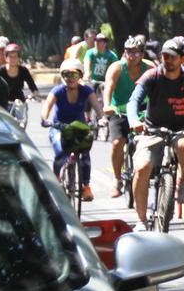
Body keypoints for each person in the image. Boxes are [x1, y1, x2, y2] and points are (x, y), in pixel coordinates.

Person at [127, 37, 184, 231]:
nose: (167, 60)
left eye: (172, 57)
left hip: (182, 131)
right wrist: (134, 121)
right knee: (142, 166)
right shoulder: (152, 76)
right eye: (164, 56)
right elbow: (133, 101)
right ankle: (141, 219)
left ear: (183, 59)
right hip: (153, 131)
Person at [42, 59, 102, 200]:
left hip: (79, 129)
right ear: (62, 76)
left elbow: (97, 106)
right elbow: (47, 106)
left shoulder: (86, 90)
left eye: (74, 75)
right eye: (66, 75)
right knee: (61, 152)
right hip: (59, 128)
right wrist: (44, 119)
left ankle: (86, 187)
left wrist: (102, 118)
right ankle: (56, 181)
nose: (70, 79)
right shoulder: (58, 90)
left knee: (85, 155)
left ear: (80, 76)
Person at [104, 34, 153, 197]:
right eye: (128, 52)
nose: (131, 56)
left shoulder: (150, 68)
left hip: (142, 111)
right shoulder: (117, 67)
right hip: (119, 110)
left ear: (142, 54)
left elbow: (159, 87)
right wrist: (107, 105)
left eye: (136, 52)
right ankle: (117, 179)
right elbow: (108, 87)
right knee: (118, 142)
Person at [0, 43, 41, 113]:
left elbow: (31, 84)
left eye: (15, 56)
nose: (13, 59)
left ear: (18, 58)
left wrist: (36, 95)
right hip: (4, 102)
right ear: (6, 58)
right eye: (10, 57)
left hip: (19, 102)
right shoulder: (1, 71)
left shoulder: (23, 70)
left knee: (21, 121)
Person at [82, 32, 119, 98]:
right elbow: (87, 64)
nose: (97, 42)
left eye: (100, 40)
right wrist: (87, 74)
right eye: (95, 40)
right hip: (92, 80)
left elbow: (116, 69)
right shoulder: (90, 53)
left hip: (106, 82)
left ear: (105, 43)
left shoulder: (112, 55)